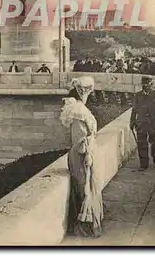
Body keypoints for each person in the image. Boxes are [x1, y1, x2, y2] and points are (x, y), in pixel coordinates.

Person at [60, 76, 103, 237]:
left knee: (87, 186)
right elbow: (79, 139)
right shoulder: (78, 111)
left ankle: (89, 224)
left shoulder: (78, 109)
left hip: (84, 150)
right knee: (84, 187)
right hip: (82, 153)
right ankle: (86, 226)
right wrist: (87, 155)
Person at [130, 75, 155, 170]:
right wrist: (132, 121)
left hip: (154, 124)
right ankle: (143, 164)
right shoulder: (137, 95)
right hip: (141, 123)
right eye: (144, 83)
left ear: (151, 84)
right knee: (142, 144)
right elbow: (134, 110)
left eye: (147, 83)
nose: (145, 85)